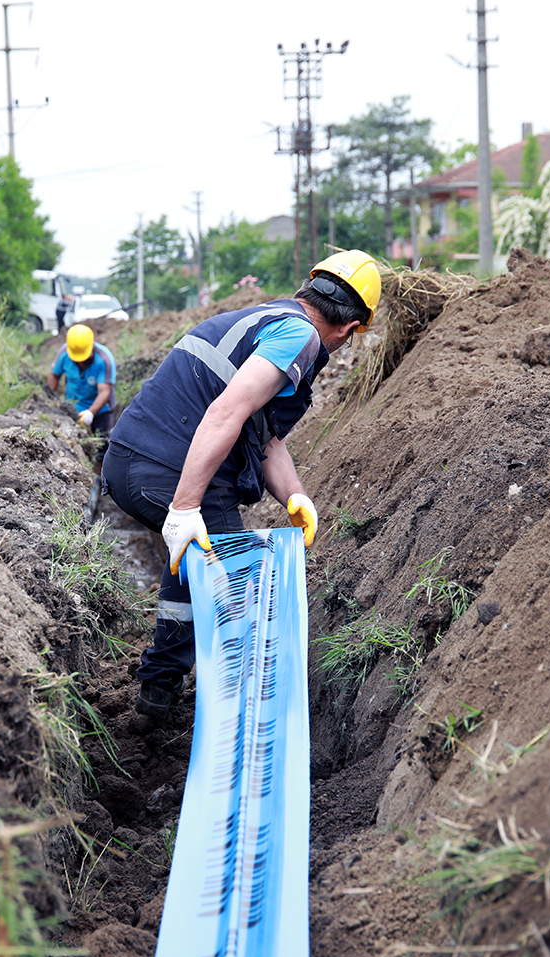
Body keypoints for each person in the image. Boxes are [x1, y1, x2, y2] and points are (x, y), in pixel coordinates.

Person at [100, 250, 382, 720]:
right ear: (350, 328)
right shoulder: (300, 336)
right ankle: (247, 715)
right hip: (166, 470)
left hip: (129, 462)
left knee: (192, 568)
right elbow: (224, 413)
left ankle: (157, 694)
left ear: (308, 289)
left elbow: (264, 436)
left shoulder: (266, 319)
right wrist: (185, 507)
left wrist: (294, 495)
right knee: (237, 584)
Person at [47, 323, 117, 437]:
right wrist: (49, 400)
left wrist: (90, 413)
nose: (80, 362)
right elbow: (54, 376)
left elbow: (104, 391)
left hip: (101, 411)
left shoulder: (104, 359)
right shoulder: (64, 354)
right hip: (73, 409)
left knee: (103, 442)